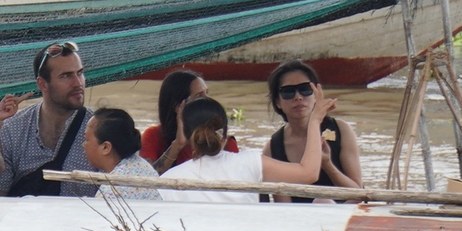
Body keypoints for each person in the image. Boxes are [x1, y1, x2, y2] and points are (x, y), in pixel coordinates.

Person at [158, 93, 337, 204]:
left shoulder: (168, 181)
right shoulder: (249, 162)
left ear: (187, 137)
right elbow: (309, 173)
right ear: (225, 135)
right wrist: (315, 120)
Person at [0, 41, 98, 197]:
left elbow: (116, 194)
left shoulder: (102, 130)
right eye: (66, 76)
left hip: (82, 220)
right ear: (43, 84)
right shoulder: (12, 129)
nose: (78, 83)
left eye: (79, 73)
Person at [263, 59, 362, 201]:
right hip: (301, 219)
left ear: (316, 93)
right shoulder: (273, 147)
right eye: (288, 92)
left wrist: (328, 165)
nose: (298, 97)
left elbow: (358, 195)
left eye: (305, 89)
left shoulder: (341, 130)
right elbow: (284, 206)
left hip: (342, 215)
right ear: (278, 102)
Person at [142, 68, 237, 171]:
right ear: (178, 106)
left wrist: (217, 151)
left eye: (207, 93)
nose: (208, 100)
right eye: (199, 96)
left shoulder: (225, 142)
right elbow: (145, 179)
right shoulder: (154, 135)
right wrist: (178, 144)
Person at [83, 107, 160, 201]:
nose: (83, 145)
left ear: (106, 147)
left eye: (87, 140)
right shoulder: (143, 165)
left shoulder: (111, 192)